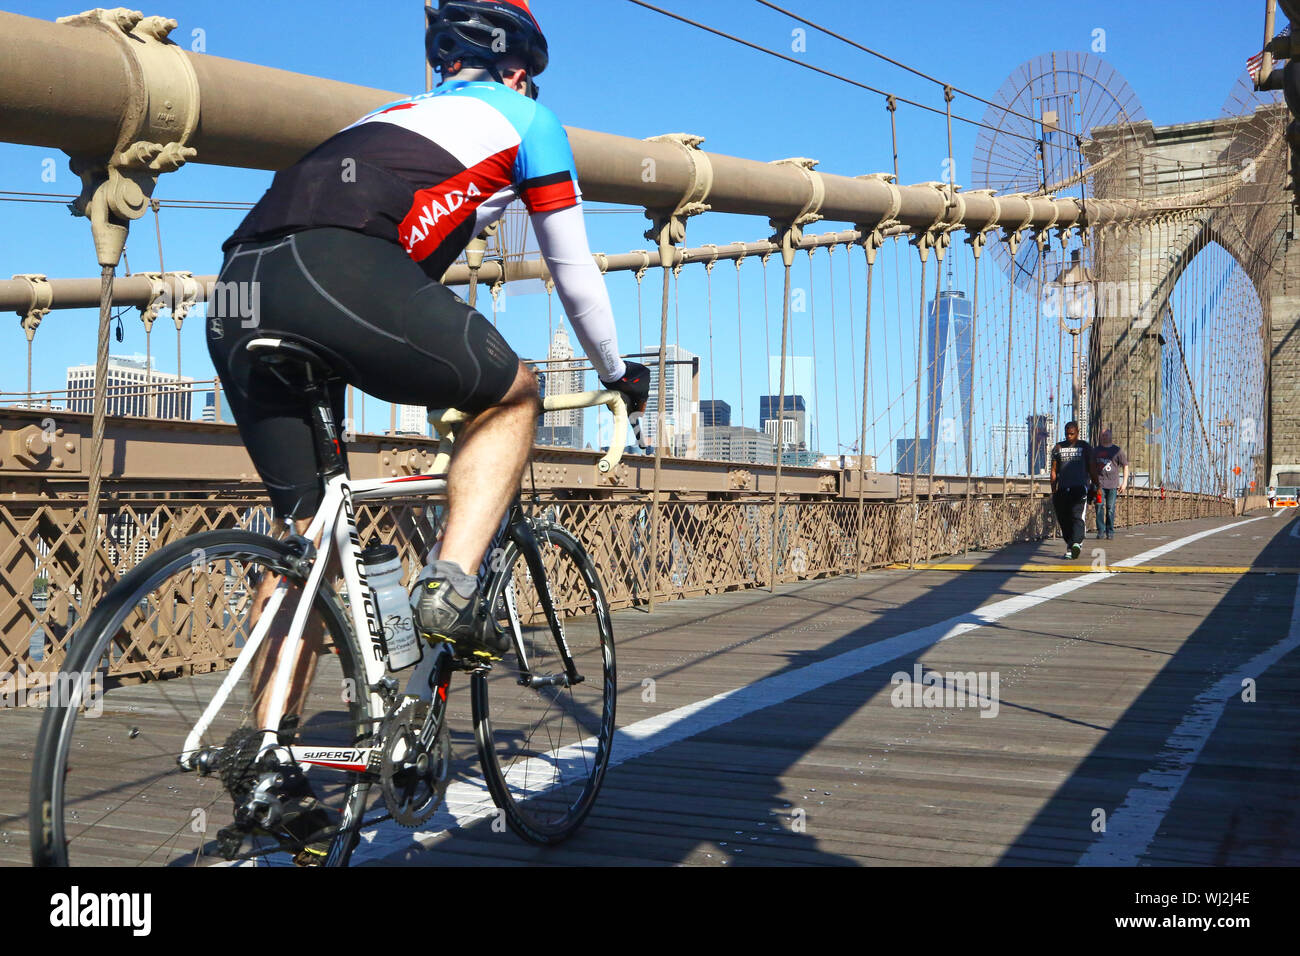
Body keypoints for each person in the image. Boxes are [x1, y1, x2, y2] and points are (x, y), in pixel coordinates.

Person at [205, 0, 649, 861]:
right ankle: (447, 586)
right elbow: (570, 267)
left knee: (306, 533)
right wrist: (615, 373)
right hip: (335, 273)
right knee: (512, 396)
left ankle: (264, 760)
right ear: (520, 69)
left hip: (234, 288)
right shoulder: (528, 118)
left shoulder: (377, 120)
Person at [1049, 421, 1099, 559]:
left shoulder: (1084, 447)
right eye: (1067, 434)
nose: (1069, 436)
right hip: (1064, 489)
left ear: (1077, 432)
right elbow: (1053, 471)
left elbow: (1092, 468)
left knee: (1075, 516)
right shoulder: (1059, 447)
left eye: (1071, 434)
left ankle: (1074, 544)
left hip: (1078, 487)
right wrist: (1054, 488)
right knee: (1064, 519)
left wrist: (1096, 485)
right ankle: (1073, 543)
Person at [1092, 427, 1129, 539]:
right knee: (1099, 506)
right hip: (1099, 486)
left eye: (1106, 435)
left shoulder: (1117, 451)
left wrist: (1124, 482)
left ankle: (1110, 531)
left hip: (1112, 485)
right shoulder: (1095, 451)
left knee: (1110, 508)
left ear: (1111, 436)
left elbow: (1125, 466)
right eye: (1102, 435)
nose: (1104, 437)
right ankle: (1100, 531)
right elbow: (1091, 466)